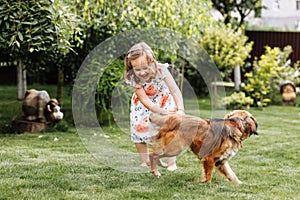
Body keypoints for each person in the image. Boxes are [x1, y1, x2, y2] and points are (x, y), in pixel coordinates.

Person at [123, 42, 185, 171]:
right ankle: (146, 161)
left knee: (169, 130)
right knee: (138, 129)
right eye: (137, 69)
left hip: (164, 100)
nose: (142, 72)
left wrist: (180, 109)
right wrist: (160, 112)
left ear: (152, 62)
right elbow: (145, 101)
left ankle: (171, 163)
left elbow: (174, 90)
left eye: (145, 67)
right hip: (143, 105)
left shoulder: (162, 70)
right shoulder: (133, 77)